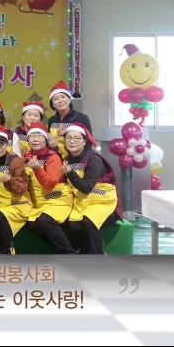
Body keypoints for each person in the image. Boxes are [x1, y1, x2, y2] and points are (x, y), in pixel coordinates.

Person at [61, 122, 123, 254]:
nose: (72, 141)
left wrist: (70, 173)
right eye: (68, 138)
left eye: (76, 138)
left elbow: (86, 188)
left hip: (103, 203)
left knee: (89, 221)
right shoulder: (67, 160)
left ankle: (98, 255)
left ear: (84, 142)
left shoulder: (93, 160)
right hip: (83, 202)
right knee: (72, 224)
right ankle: (82, 253)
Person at [23, 122, 78, 254]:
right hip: (40, 203)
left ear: (46, 139)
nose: (35, 139)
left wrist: (37, 169)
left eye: (39, 136)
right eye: (32, 136)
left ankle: (68, 254)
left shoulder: (53, 157)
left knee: (44, 220)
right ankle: (68, 247)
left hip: (58, 199)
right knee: (32, 223)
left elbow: (50, 184)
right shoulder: (26, 158)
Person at [0, 126, 32, 255]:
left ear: (7, 144)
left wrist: (10, 181)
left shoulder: (16, 161)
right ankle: (8, 247)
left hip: (18, 204)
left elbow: (22, 188)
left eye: (2, 143)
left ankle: (5, 252)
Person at [47, 81, 93, 159]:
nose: (60, 100)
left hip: (77, 160)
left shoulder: (81, 118)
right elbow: (50, 142)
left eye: (63, 97)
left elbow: (88, 143)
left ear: (69, 99)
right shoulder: (51, 120)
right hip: (56, 159)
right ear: (53, 104)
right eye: (56, 99)